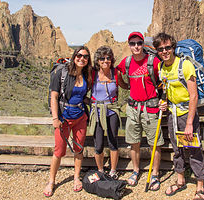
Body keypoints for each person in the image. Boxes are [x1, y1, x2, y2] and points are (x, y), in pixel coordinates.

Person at [153, 33, 204, 199]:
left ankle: (200, 186)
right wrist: (164, 103)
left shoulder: (185, 65)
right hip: (173, 115)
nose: (165, 51)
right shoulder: (161, 68)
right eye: (161, 49)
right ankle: (180, 180)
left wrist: (190, 123)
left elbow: (194, 96)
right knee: (177, 149)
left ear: (173, 47)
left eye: (168, 47)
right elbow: (166, 91)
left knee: (193, 149)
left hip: (186, 115)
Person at [116, 32, 164, 190]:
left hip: (151, 108)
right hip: (133, 108)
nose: (136, 46)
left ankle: (155, 173)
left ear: (143, 44)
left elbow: (163, 81)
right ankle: (135, 170)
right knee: (134, 142)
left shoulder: (153, 61)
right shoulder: (127, 62)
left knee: (154, 143)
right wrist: (126, 86)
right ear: (129, 45)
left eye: (138, 43)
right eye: (132, 43)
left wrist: (163, 100)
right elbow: (117, 74)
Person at [43, 46, 92, 197]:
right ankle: (51, 181)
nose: (81, 58)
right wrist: (55, 118)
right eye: (79, 55)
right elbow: (54, 97)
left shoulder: (85, 74)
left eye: (85, 56)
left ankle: (76, 177)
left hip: (80, 117)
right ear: (74, 56)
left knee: (78, 148)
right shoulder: (61, 73)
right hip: (64, 119)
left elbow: (82, 95)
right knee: (59, 151)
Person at [89, 45, 128, 179]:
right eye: (102, 58)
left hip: (112, 111)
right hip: (97, 112)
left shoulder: (115, 73)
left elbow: (125, 86)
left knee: (113, 141)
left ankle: (112, 170)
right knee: (98, 144)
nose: (105, 61)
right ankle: (100, 170)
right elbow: (83, 87)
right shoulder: (93, 74)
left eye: (108, 58)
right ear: (97, 60)